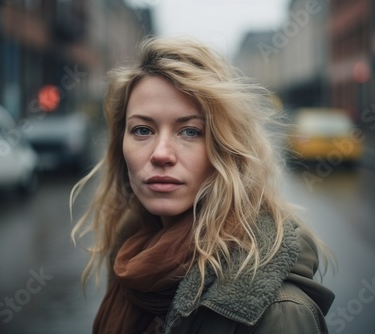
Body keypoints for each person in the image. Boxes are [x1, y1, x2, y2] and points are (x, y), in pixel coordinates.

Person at [70, 37, 335, 334]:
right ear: (121, 144)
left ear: (225, 147)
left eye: (190, 131)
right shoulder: (130, 259)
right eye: (143, 130)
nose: (161, 154)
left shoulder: (280, 313)